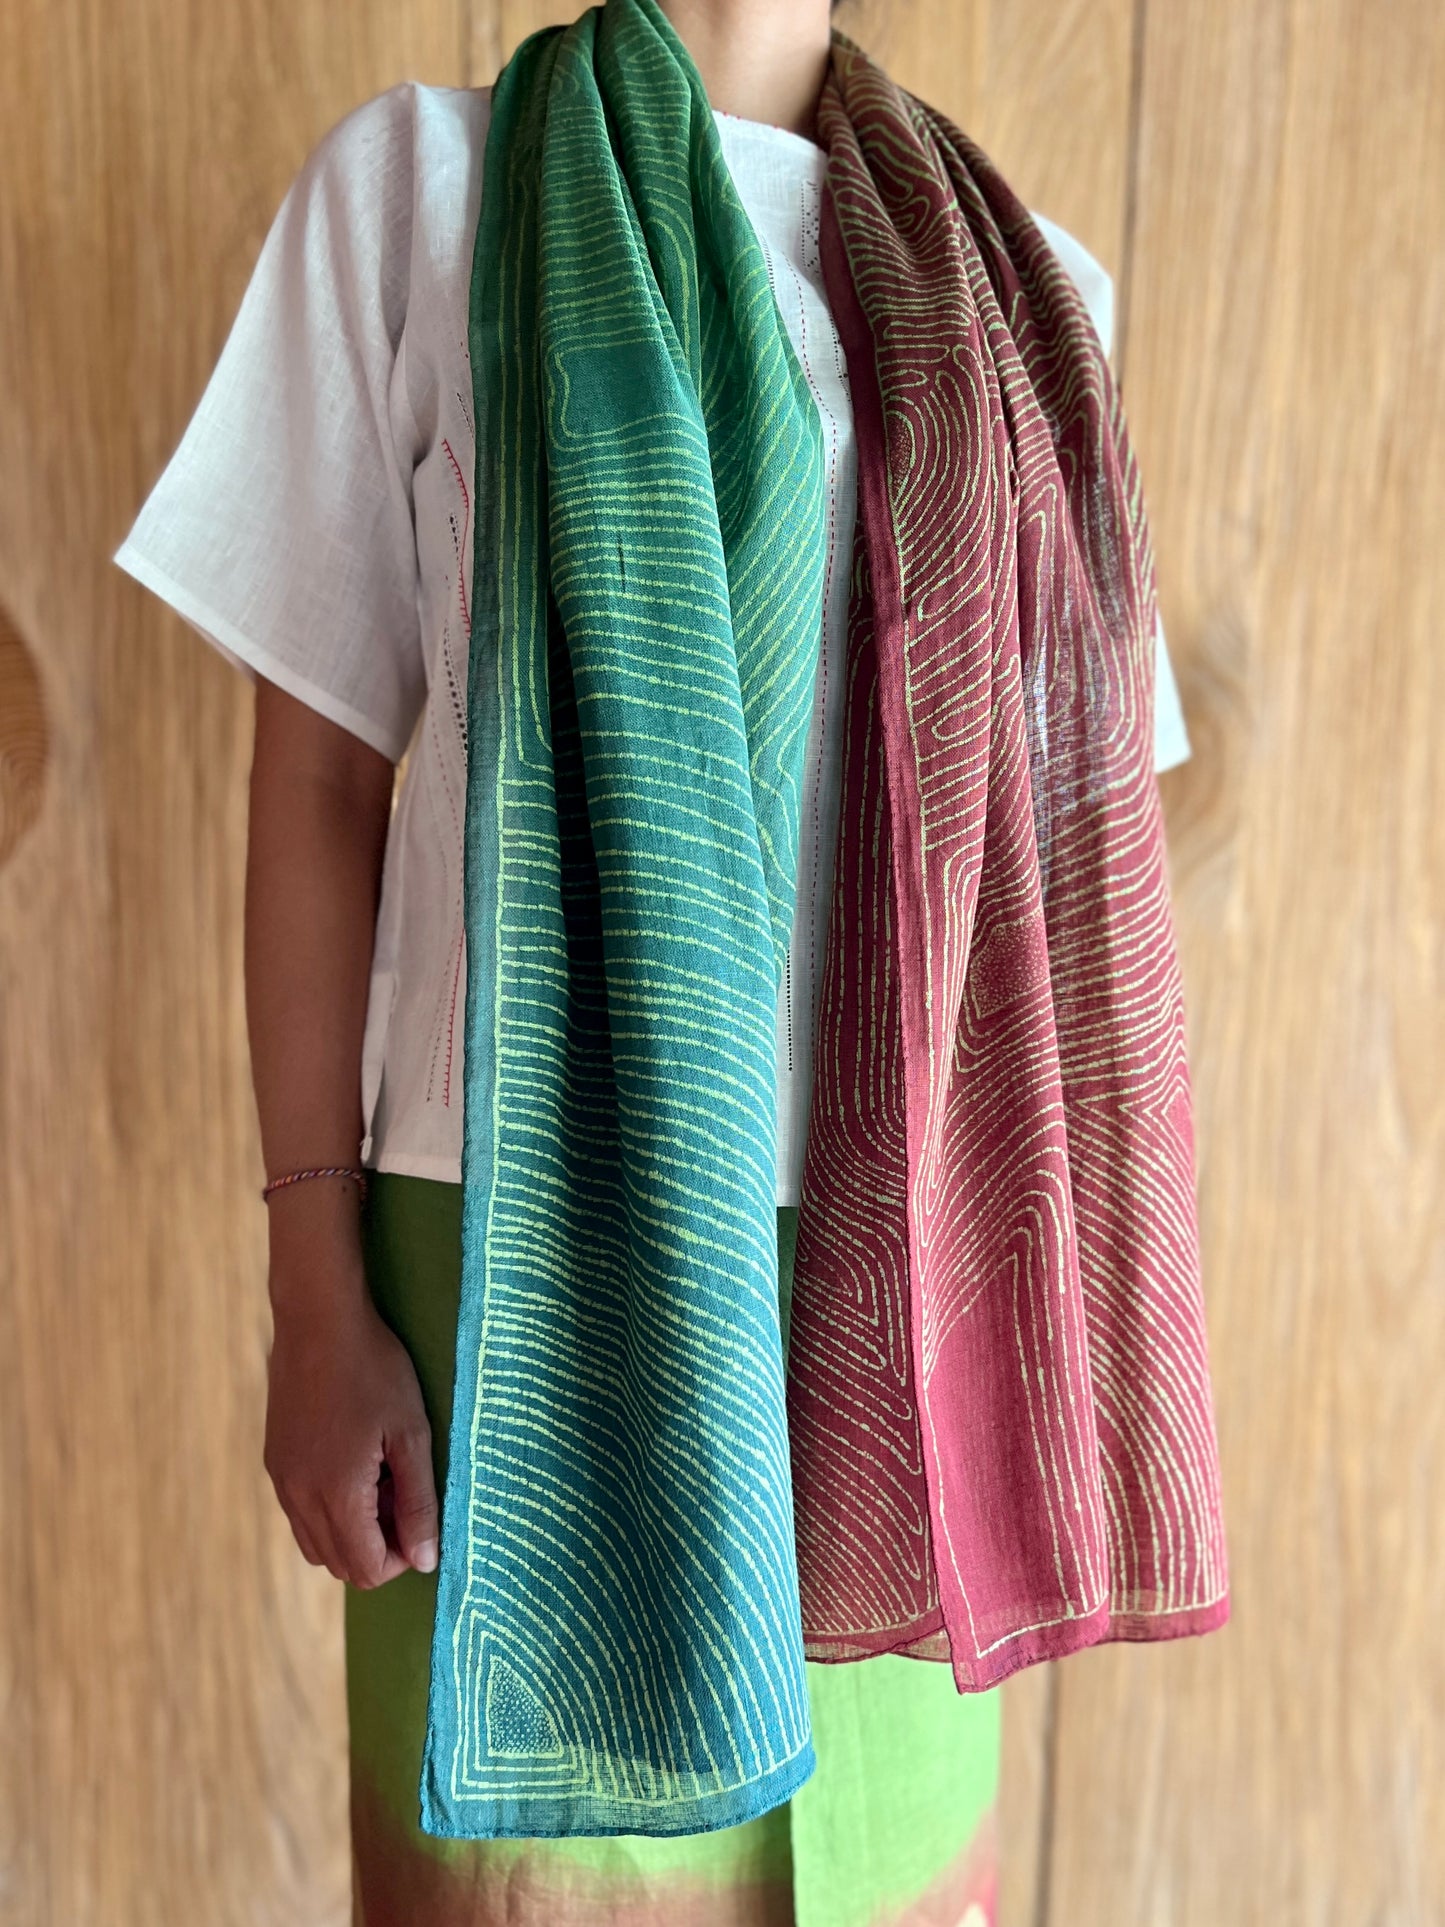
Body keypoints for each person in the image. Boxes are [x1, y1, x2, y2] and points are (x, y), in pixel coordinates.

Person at [115, 1, 1200, 1919]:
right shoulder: (418, 194)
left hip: (912, 1262)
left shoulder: (1030, 295)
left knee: (883, 1871)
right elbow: (319, 789)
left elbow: (1063, 841)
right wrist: (312, 1283)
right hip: (518, 1248)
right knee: (539, 1881)